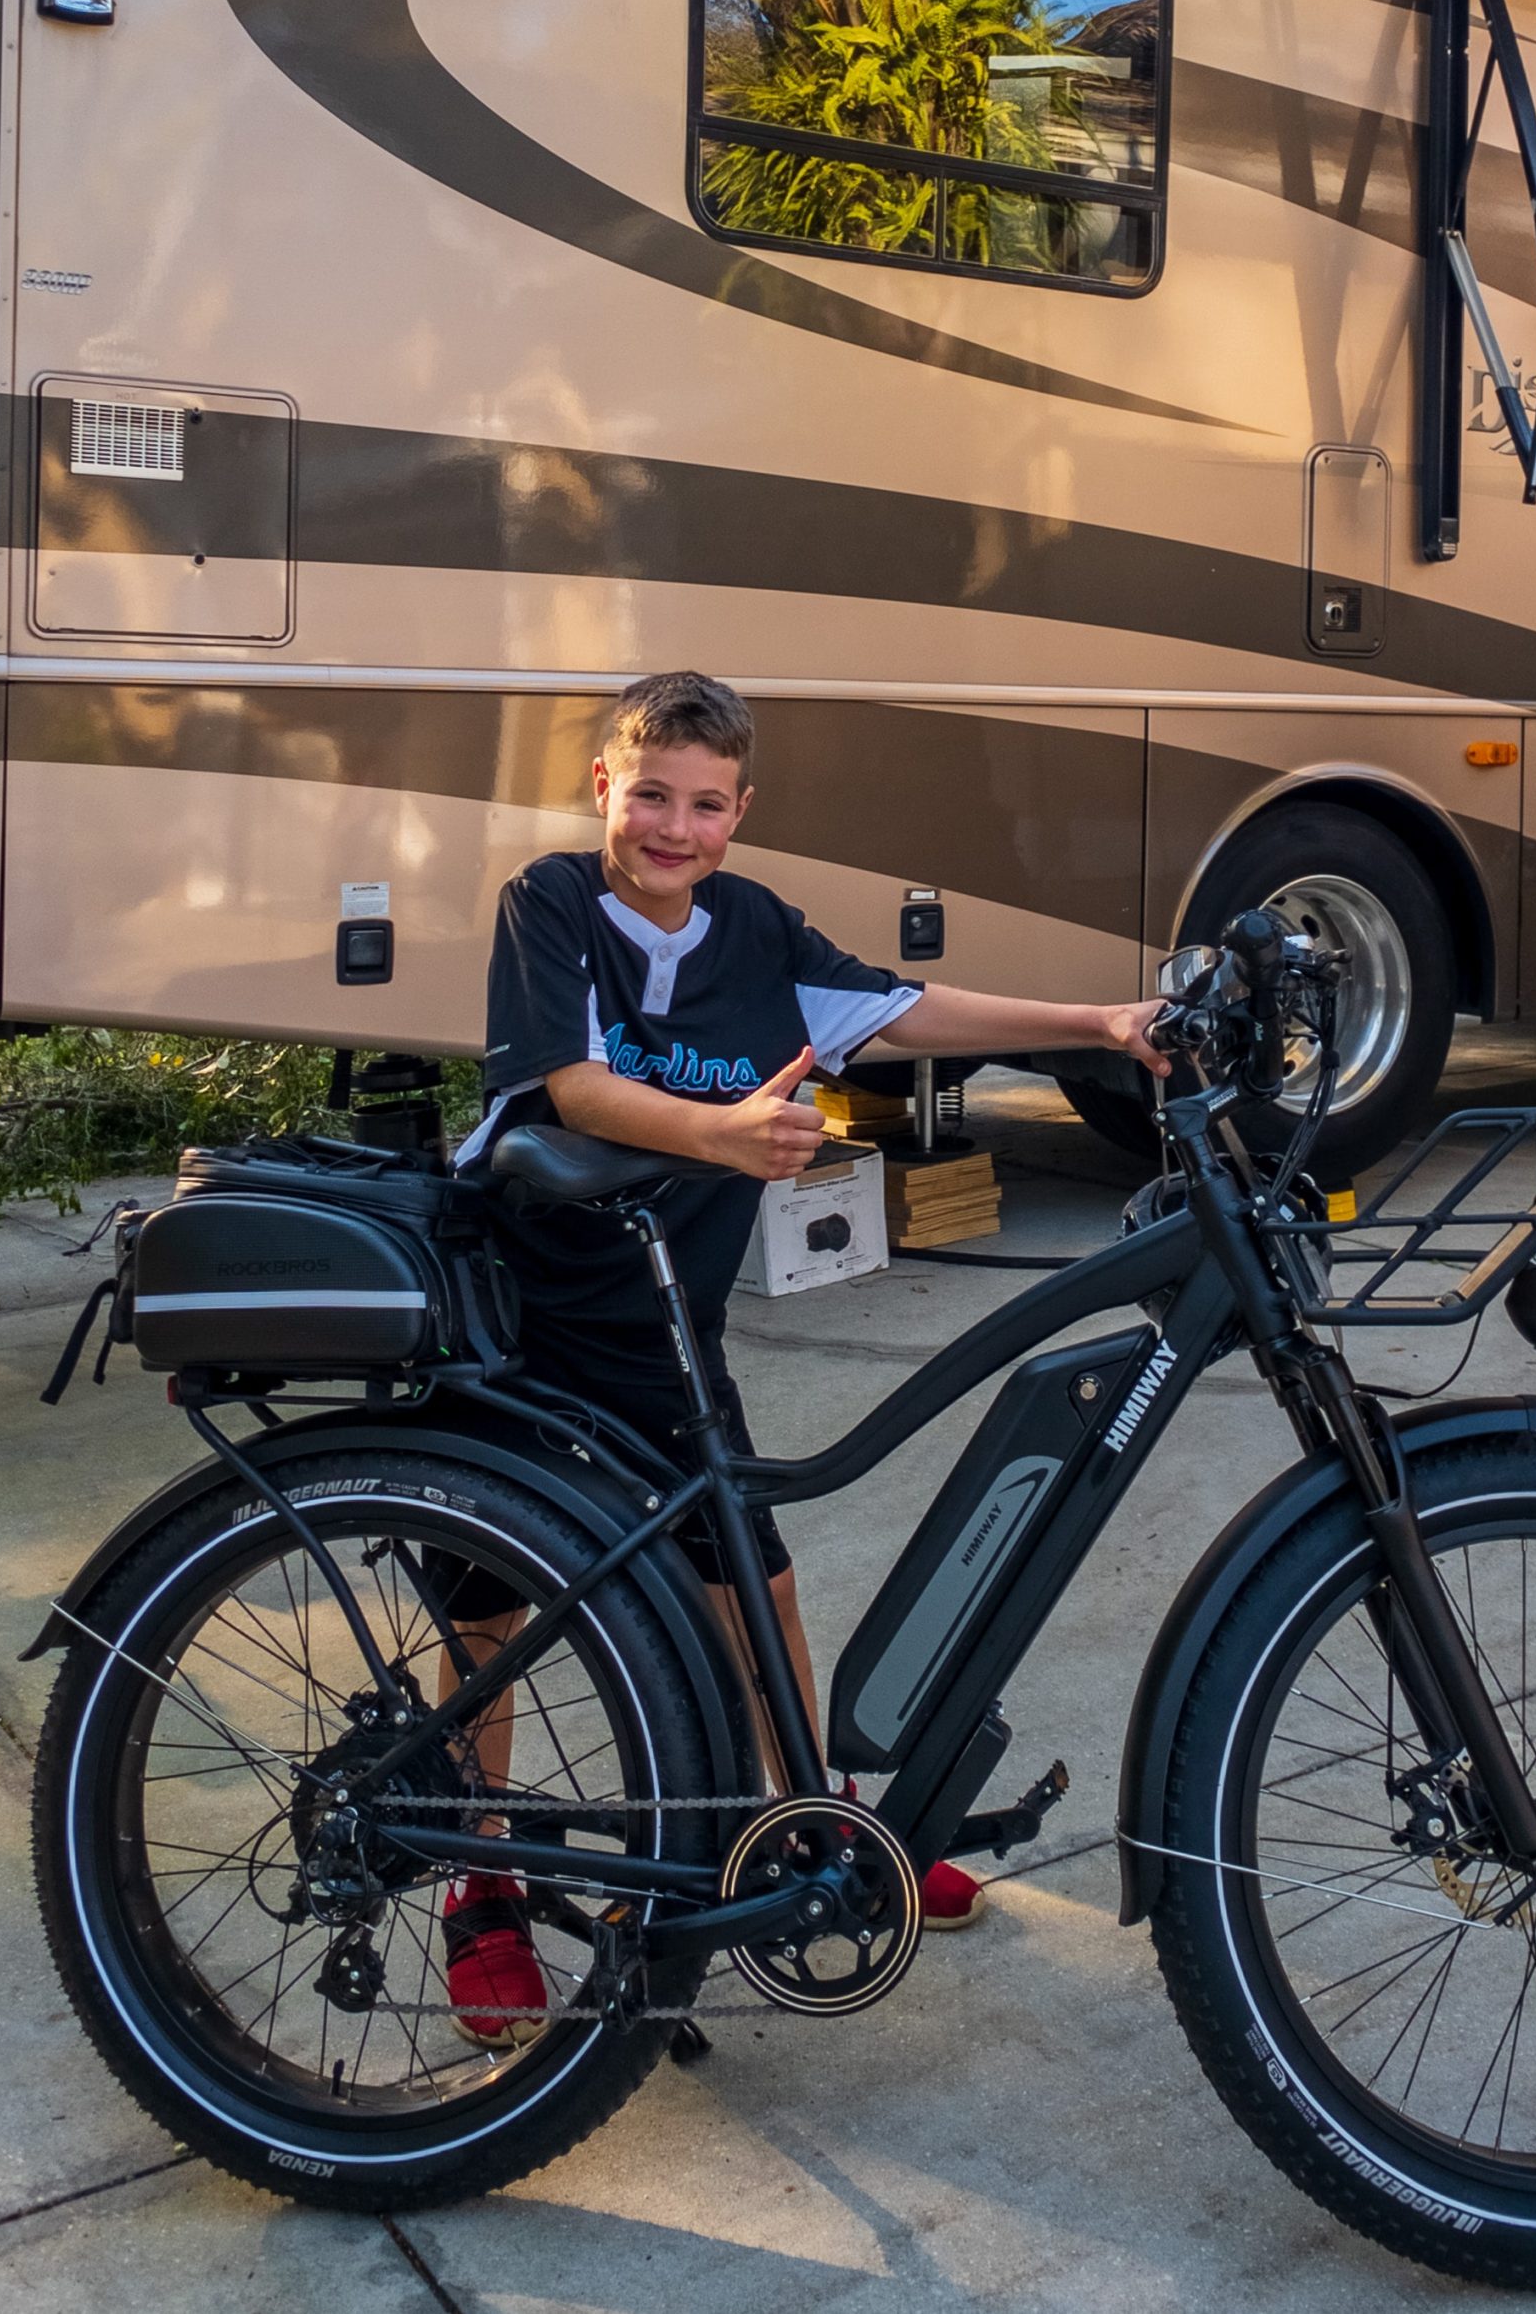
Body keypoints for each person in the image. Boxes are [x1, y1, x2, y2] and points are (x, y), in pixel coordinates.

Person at [437, 670, 1169, 2047]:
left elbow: (903, 1009)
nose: (674, 826)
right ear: (604, 786)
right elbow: (565, 1086)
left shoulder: (755, 930)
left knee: (756, 1591)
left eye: (706, 804)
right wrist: (718, 1136)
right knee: (491, 1617)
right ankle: (478, 1886)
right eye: (650, 793)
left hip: (664, 1330)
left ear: (741, 814)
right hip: (526, 1307)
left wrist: (1099, 1025)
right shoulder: (551, 905)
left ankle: (822, 1837)